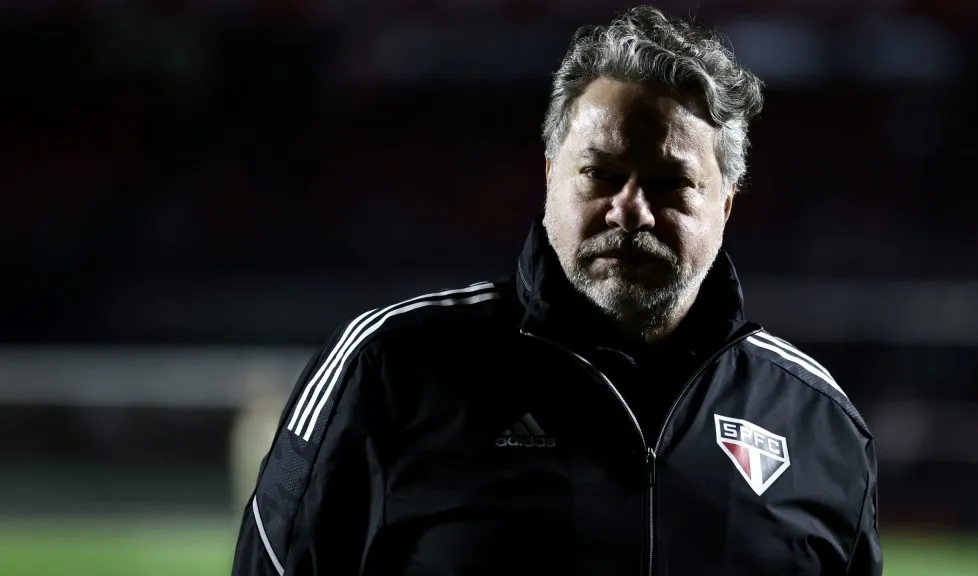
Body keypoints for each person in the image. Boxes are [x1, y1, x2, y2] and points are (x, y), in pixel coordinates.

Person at [232, 6, 882, 575]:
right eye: (600, 173)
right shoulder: (389, 369)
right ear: (550, 176)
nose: (631, 211)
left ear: (726, 204)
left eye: (670, 183)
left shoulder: (820, 424)